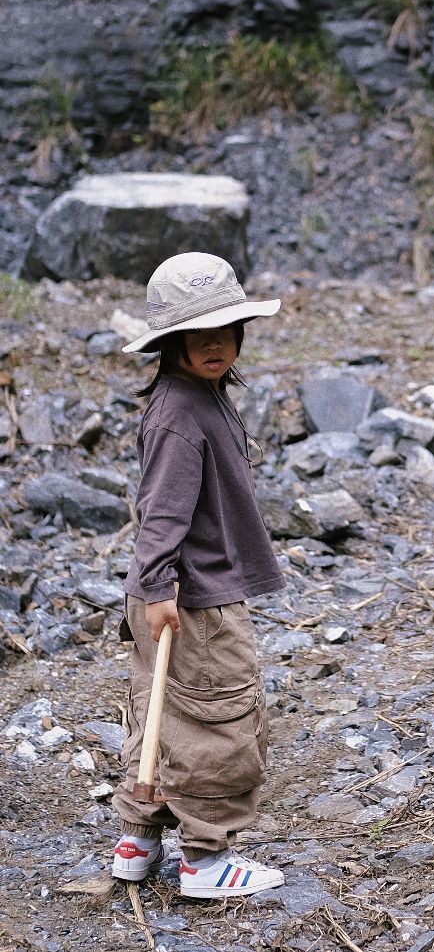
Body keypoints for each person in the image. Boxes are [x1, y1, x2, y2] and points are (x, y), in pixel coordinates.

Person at [111, 251, 287, 898]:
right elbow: (161, 511)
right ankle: (205, 859)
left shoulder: (196, 397)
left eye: (226, 329)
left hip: (171, 591)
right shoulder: (180, 415)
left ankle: (139, 841)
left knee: (162, 715)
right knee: (219, 719)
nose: (215, 343)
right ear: (169, 342)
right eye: (197, 332)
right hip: (191, 599)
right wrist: (159, 587)